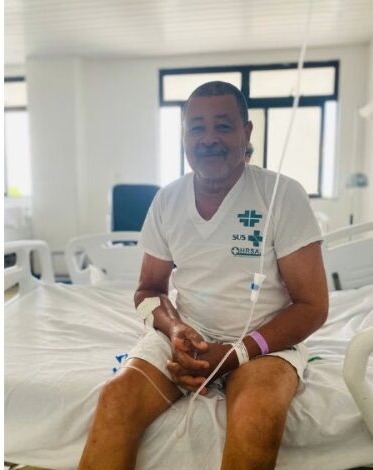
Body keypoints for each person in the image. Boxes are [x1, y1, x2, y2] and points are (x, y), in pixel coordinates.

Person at [79, 81, 328, 470]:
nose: (209, 138)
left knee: (257, 420)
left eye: (223, 126)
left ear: (246, 132)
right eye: (197, 127)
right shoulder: (167, 200)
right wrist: (175, 330)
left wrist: (236, 353)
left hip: (265, 344)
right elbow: (148, 291)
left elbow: (312, 305)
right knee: (116, 400)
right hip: (188, 340)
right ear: (184, 136)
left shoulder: (281, 195)